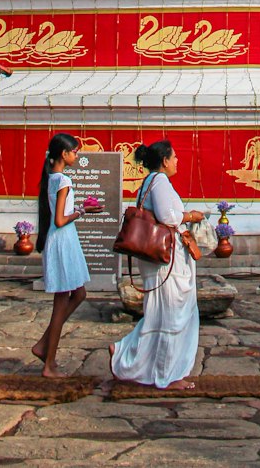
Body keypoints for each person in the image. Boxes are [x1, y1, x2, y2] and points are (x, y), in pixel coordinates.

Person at [110, 139, 203, 390]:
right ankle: (167, 375)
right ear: (164, 161)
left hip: (159, 259)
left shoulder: (149, 183)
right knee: (172, 314)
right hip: (166, 261)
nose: (176, 161)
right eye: (174, 157)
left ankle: (127, 352)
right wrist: (190, 216)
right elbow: (168, 217)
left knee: (161, 313)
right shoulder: (160, 183)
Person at [32, 132, 90, 376]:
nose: (76, 155)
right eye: (74, 151)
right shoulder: (63, 181)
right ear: (64, 154)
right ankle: (49, 363)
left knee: (79, 293)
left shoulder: (51, 178)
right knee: (61, 303)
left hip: (59, 240)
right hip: (63, 240)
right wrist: (81, 212)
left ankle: (44, 344)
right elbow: (60, 219)